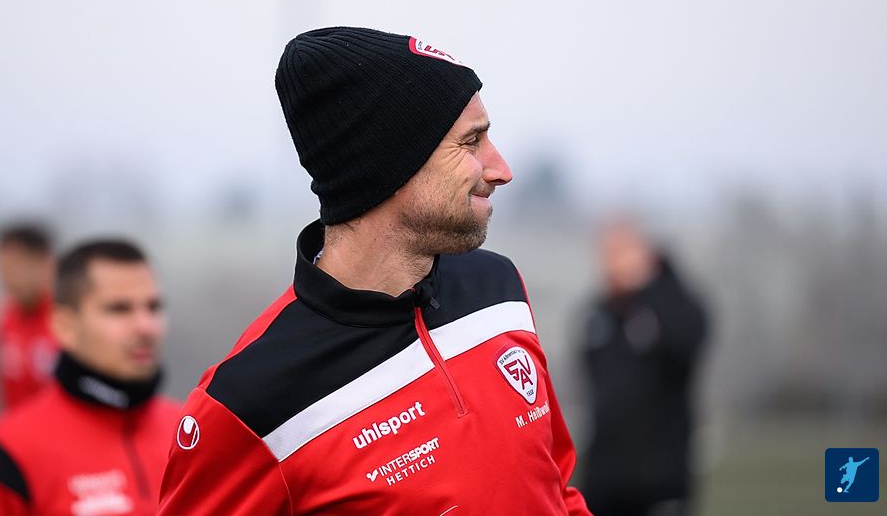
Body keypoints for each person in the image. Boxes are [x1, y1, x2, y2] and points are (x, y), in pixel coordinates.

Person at [159, 27, 592, 515]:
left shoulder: (497, 288)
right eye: (471, 142)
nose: (501, 169)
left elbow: (557, 487)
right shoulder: (247, 405)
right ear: (389, 164)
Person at [0, 240, 180, 515]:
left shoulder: (190, 434)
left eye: (154, 307)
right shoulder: (6, 456)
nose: (146, 327)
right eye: (119, 309)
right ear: (65, 326)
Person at [578, 219, 708, 516]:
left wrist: (652, 287)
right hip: (605, 479)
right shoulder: (598, 315)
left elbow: (688, 344)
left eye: (621, 251)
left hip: (660, 479)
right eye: (607, 253)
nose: (612, 262)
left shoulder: (673, 306)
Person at [0, 223, 59, 410]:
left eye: (14, 269)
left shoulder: (71, 319)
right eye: (2, 270)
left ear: (46, 264)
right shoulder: (5, 317)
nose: (7, 280)